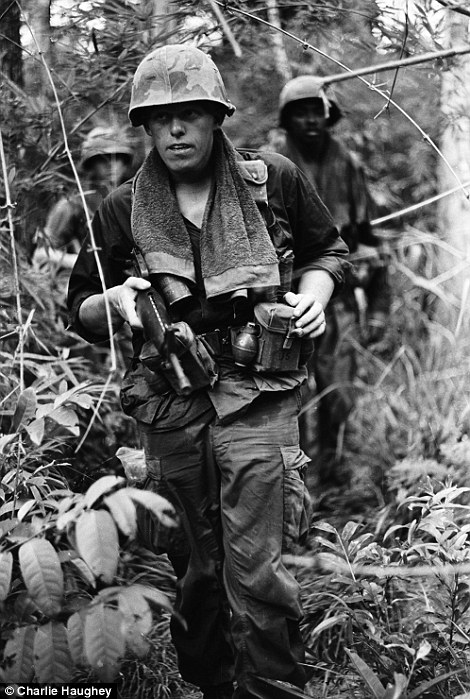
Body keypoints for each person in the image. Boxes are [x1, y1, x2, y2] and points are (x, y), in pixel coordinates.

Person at [67, 45, 348, 699]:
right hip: (169, 400)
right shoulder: (118, 208)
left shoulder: (269, 179)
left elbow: (325, 249)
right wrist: (110, 303)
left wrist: (314, 295)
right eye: (161, 117)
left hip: (260, 392)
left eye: (191, 113)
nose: (176, 129)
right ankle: (209, 684)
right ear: (143, 125)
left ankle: (273, 685)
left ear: (216, 116)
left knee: (260, 568)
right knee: (192, 564)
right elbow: (77, 308)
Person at [270, 75, 391, 480]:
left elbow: (371, 241)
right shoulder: (272, 165)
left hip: (338, 300)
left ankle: (335, 475)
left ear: (328, 116)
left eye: (315, 111)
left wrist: (377, 309)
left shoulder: (348, 164)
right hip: (289, 302)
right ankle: (298, 482)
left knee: (339, 393)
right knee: (293, 396)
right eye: (299, 113)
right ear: (287, 120)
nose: (309, 121)